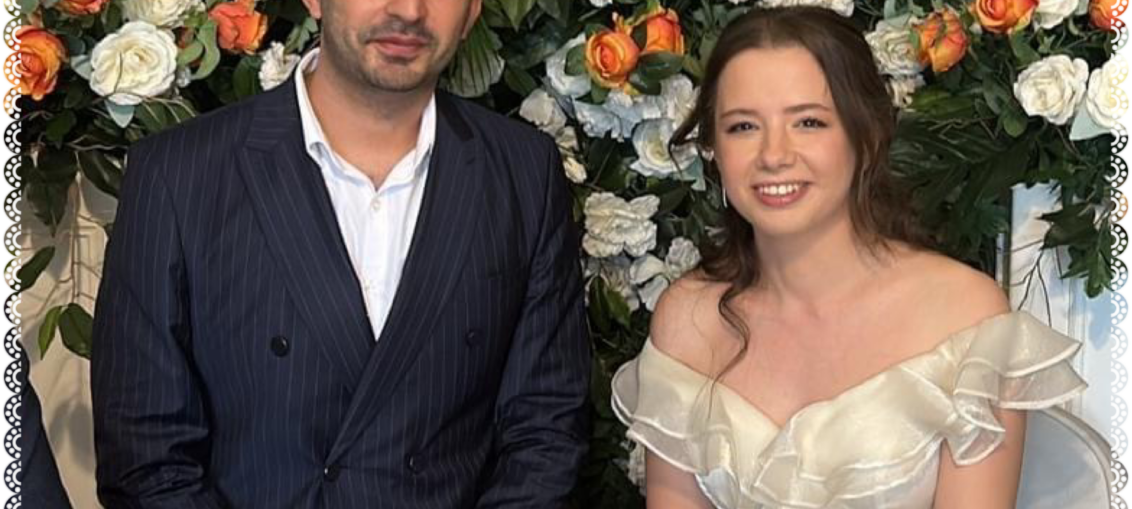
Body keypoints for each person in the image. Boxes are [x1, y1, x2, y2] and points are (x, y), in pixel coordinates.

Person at [89, 0, 591, 507]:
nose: (409, 11)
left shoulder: (523, 172)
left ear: (473, 11)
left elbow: (545, 427)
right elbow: (145, 456)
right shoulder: (178, 175)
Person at [610, 6, 1103, 508]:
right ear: (713, 146)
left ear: (864, 134)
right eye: (743, 127)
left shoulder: (965, 319)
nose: (774, 155)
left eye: (808, 122)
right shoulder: (689, 320)